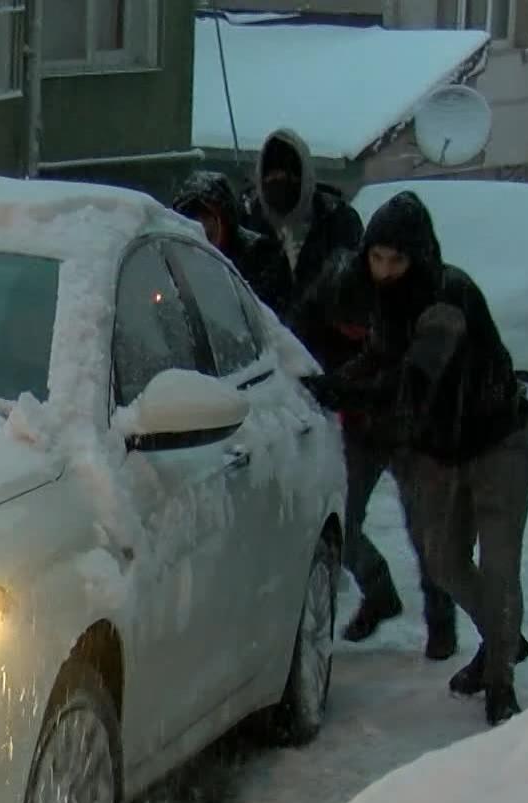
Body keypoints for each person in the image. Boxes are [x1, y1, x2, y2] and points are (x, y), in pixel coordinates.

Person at [300, 192, 528, 725]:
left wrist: (351, 394)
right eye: (377, 259)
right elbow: (381, 356)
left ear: (419, 257)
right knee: (444, 561)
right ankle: (503, 641)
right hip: (444, 450)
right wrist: (332, 382)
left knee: (499, 567)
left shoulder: (447, 302)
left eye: (396, 261)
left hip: (499, 442)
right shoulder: (391, 301)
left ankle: (501, 683)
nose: (384, 272)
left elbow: (413, 380)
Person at [290, 244, 460, 659]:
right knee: (342, 522)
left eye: (362, 330)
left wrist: (354, 389)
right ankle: (379, 590)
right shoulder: (314, 314)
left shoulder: (404, 309)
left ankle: (441, 622)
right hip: (359, 430)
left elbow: (407, 380)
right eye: (346, 329)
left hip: (411, 430)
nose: (355, 336)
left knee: (426, 530)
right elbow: (298, 360)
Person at [240, 128, 363, 307]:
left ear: (304, 177)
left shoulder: (338, 221)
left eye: (288, 176)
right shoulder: (246, 222)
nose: (278, 184)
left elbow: (352, 288)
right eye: (271, 177)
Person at [171, 169, 294, 312]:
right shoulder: (177, 261)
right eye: (190, 217)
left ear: (224, 218)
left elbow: (268, 320)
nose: (198, 225)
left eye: (205, 215)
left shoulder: (260, 256)